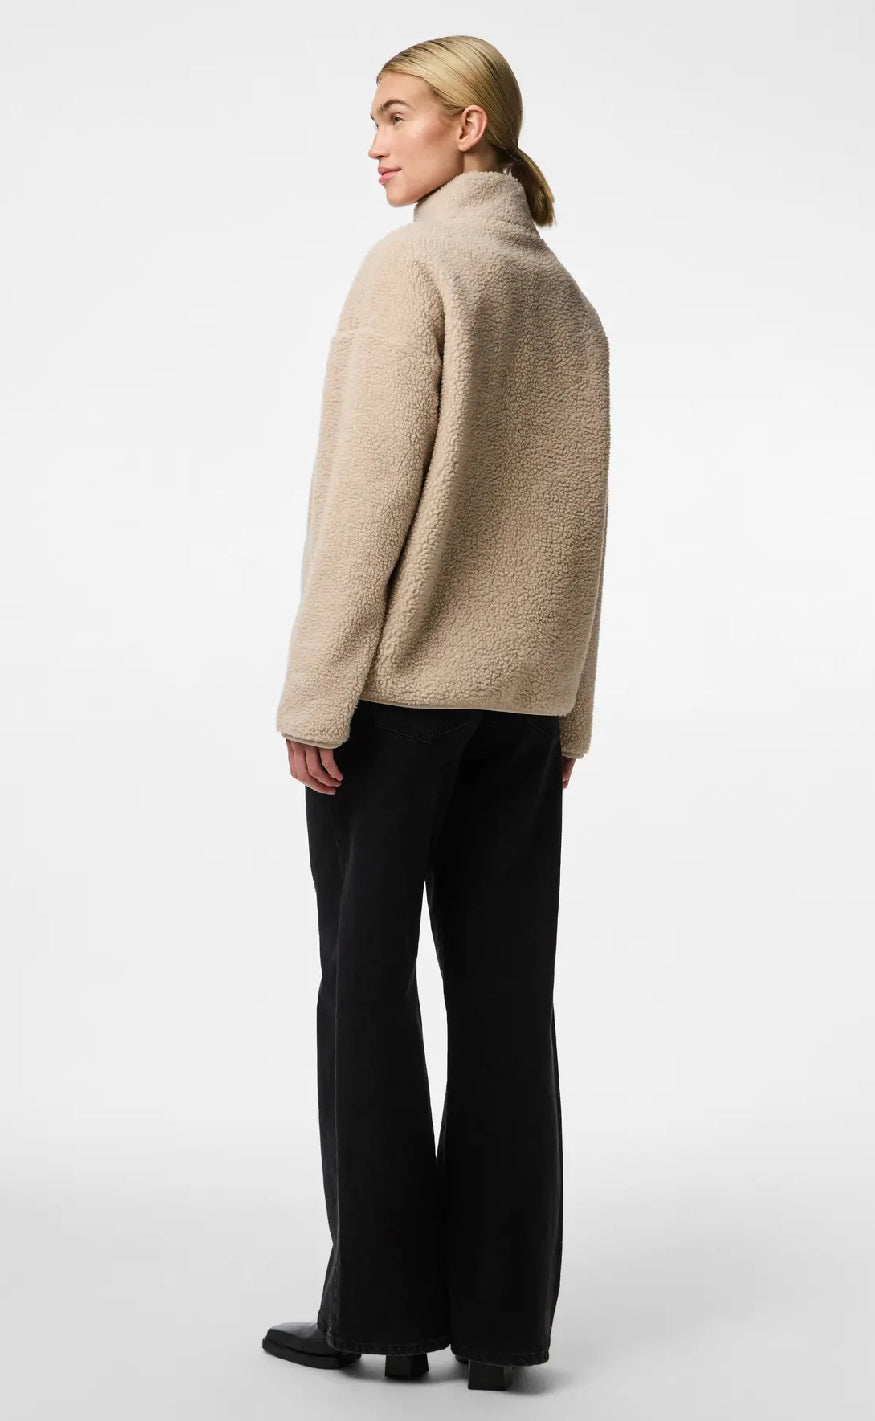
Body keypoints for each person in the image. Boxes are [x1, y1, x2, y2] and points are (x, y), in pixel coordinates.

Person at [262, 33, 610, 1393]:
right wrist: (569, 711)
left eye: (398, 114)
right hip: (520, 711)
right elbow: (582, 533)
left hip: (397, 703)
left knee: (367, 998)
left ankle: (384, 1313)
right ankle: (505, 1327)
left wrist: (317, 689)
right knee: (509, 1005)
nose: (375, 142)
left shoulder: (415, 271)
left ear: (472, 126)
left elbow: (368, 500)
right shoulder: (564, 300)